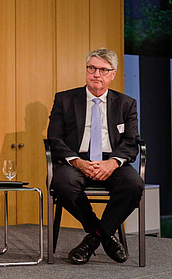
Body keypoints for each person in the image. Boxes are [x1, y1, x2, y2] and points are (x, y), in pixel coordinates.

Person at [47, 48, 143, 265]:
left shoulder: (126, 104)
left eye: (102, 70)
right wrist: (78, 162)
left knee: (133, 184)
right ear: (86, 70)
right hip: (76, 160)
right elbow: (54, 138)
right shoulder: (65, 99)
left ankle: (92, 240)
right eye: (92, 68)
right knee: (63, 183)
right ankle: (105, 236)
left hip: (112, 161)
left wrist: (112, 163)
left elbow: (131, 141)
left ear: (113, 74)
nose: (96, 74)